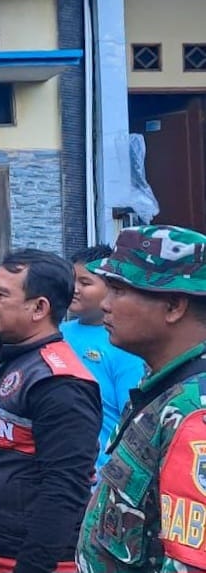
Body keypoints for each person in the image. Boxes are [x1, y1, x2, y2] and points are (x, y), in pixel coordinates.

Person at [0, 249, 100, 573]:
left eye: (2, 294)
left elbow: (65, 490)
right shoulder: (10, 356)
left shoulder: (60, 384)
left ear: (39, 308)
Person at [76, 226, 206, 573]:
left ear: (174, 306)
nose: (104, 303)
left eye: (118, 290)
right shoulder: (160, 384)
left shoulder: (195, 414)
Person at [60, 245, 147, 475]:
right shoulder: (58, 332)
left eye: (85, 283)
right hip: (60, 467)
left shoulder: (123, 344)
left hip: (100, 473)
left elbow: (131, 418)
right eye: (71, 280)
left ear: (111, 288)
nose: (74, 289)